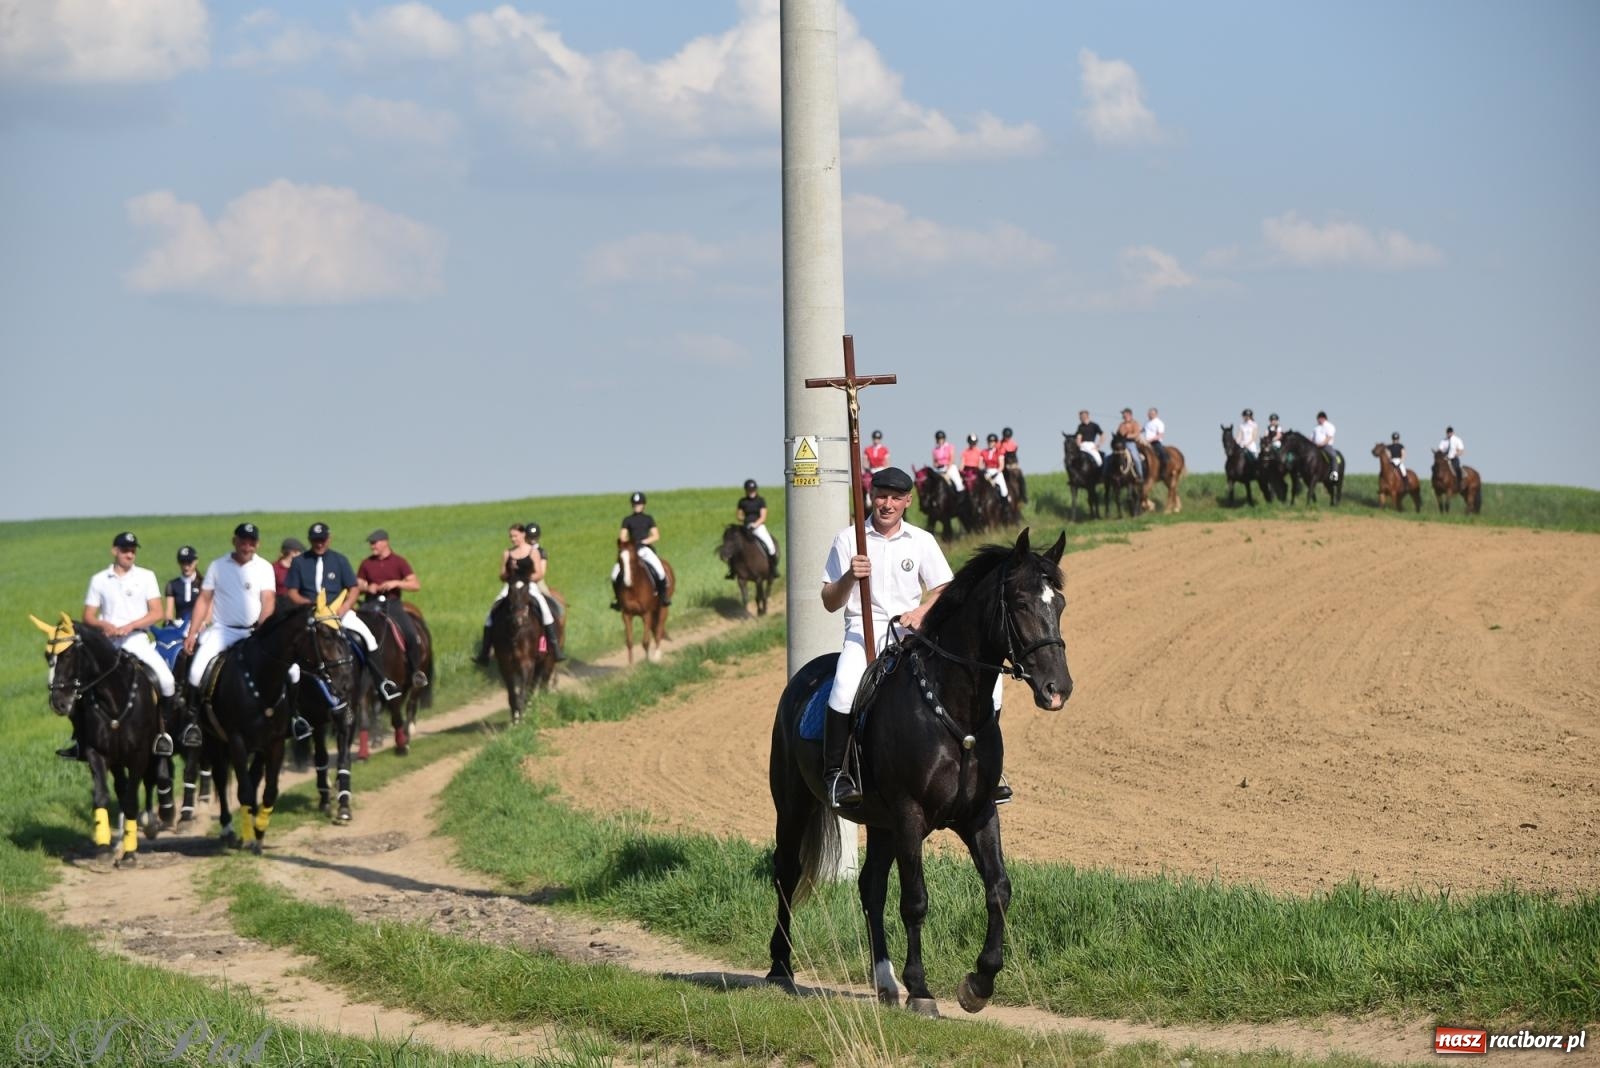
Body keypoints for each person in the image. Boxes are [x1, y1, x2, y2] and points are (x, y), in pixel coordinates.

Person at [58, 532, 180, 760]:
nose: (129, 554)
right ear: (114, 551)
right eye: (125, 550)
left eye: (133, 550)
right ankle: (80, 740)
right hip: (107, 644)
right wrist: (104, 624)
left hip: (137, 640)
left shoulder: (146, 576)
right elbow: (88, 615)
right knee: (80, 687)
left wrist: (131, 625)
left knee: (166, 681)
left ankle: (164, 733)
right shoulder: (99, 580)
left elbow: (157, 612)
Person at [283, 522, 402, 700]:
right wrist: (307, 604)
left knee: (368, 638)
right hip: (309, 613)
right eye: (315, 540)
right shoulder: (299, 562)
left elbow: (353, 588)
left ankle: (382, 682)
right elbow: (292, 591)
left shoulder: (339, 560)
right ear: (309, 540)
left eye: (322, 540)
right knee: (288, 644)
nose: (319, 544)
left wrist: (345, 607)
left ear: (329, 539)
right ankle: (288, 694)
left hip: (338, 611)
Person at [183, 522, 277, 714]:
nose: (247, 547)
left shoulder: (264, 567)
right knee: (195, 673)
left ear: (257, 544)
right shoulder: (217, 566)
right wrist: (192, 632)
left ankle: (293, 718)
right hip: (223, 631)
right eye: (243, 542)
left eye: (251, 543)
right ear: (234, 541)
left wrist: (262, 628)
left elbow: (268, 600)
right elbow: (204, 599)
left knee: (291, 671)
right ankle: (191, 719)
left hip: (254, 632)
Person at [476, 523, 564, 663]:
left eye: (515, 536)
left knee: (545, 610)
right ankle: (485, 651)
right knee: (492, 612)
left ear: (523, 535)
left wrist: (524, 579)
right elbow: (502, 575)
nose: (512, 539)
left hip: (529, 584)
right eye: (511, 536)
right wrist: (509, 576)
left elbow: (539, 573)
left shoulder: (534, 552)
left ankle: (555, 648)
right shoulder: (508, 553)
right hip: (512, 586)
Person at [357, 529, 430, 682]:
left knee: (410, 634)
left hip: (392, 604)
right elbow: (358, 586)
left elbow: (415, 585)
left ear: (385, 542)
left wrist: (396, 583)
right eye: (371, 543)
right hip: (370, 604)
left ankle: (416, 671)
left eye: (375, 543)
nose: (372, 546)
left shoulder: (399, 562)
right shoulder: (366, 563)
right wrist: (368, 588)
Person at [611, 492, 670, 608]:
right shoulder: (627, 520)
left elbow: (656, 536)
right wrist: (628, 544)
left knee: (660, 571)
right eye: (635, 504)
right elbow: (622, 536)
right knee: (614, 574)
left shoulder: (648, 519)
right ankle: (618, 599)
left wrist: (644, 541)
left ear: (643, 505)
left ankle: (663, 596)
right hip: (631, 551)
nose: (637, 506)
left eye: (639, 504)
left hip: (644, 549)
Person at [733, 479, 780, 578]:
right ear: (746, 490)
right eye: (749, 490)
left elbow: (763, 517)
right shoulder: (742, 501)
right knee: (733, 546)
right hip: (746, 527)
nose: (751, 492)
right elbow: (739, 515)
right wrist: (744, 520)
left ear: (755, 490)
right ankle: (733, 570)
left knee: (770, 546)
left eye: (752, 490)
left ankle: (773, 569)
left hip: (758, 527)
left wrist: (755, 524)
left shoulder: (760, 501)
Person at [165, 545, 204, 625]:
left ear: (196, 562)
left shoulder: (203, 583)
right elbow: (169, 612)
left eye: (189, 562)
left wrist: (204, 624)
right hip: (179, 626)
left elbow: (209, 609)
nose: (186, 567)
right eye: (183, 562)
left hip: (200, 626)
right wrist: (169, 623)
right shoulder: (172, 585)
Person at [1115, 408, 1144, 478]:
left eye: (1124, 414)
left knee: (1136, 458)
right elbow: (1117, 433)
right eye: (1123, 414)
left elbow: (1136, 433)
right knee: (1112, 457)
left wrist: (1127, 436)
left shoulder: (1135, 423)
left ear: (1129, 414)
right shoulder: (1121, 424)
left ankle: (1140, 475)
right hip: (1121, 444)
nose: (1123, 415)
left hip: (1131, 443)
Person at [982, 433, 1011, 499]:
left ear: (995, 442)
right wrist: (985, 472)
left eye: (992, 441)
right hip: (986, 472)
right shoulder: (983, 452)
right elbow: (980, 464)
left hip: (997, 472)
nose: (990, 443)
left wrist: (995, 474)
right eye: (989, 441)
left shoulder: (999, 452)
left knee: (1004, 490)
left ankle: (1005, 503)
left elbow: (1001, 466)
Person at [1142, 407, 1168, 475]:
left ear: (1156, 414)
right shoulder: (1147, 422)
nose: (1150, 415)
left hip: (1155, 442)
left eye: (1151, 414)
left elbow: (1160, 435)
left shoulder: (1159, 423)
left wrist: (1150, 440)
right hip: (1145, 442)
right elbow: (1142, 430)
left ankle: (1163, 471)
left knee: (1163, 455)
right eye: (1149, 413)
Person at [1313, 411, 1339, 478]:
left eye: (1319, 418)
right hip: (1316, 446)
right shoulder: (1316, 428)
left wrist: (1322, 443)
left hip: (1326, 446)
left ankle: (1334, 475)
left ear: (1323, 418)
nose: (1318, 420)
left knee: (1333, 456)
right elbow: (1312, 437)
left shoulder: (1329, 426)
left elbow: (1329, 437)